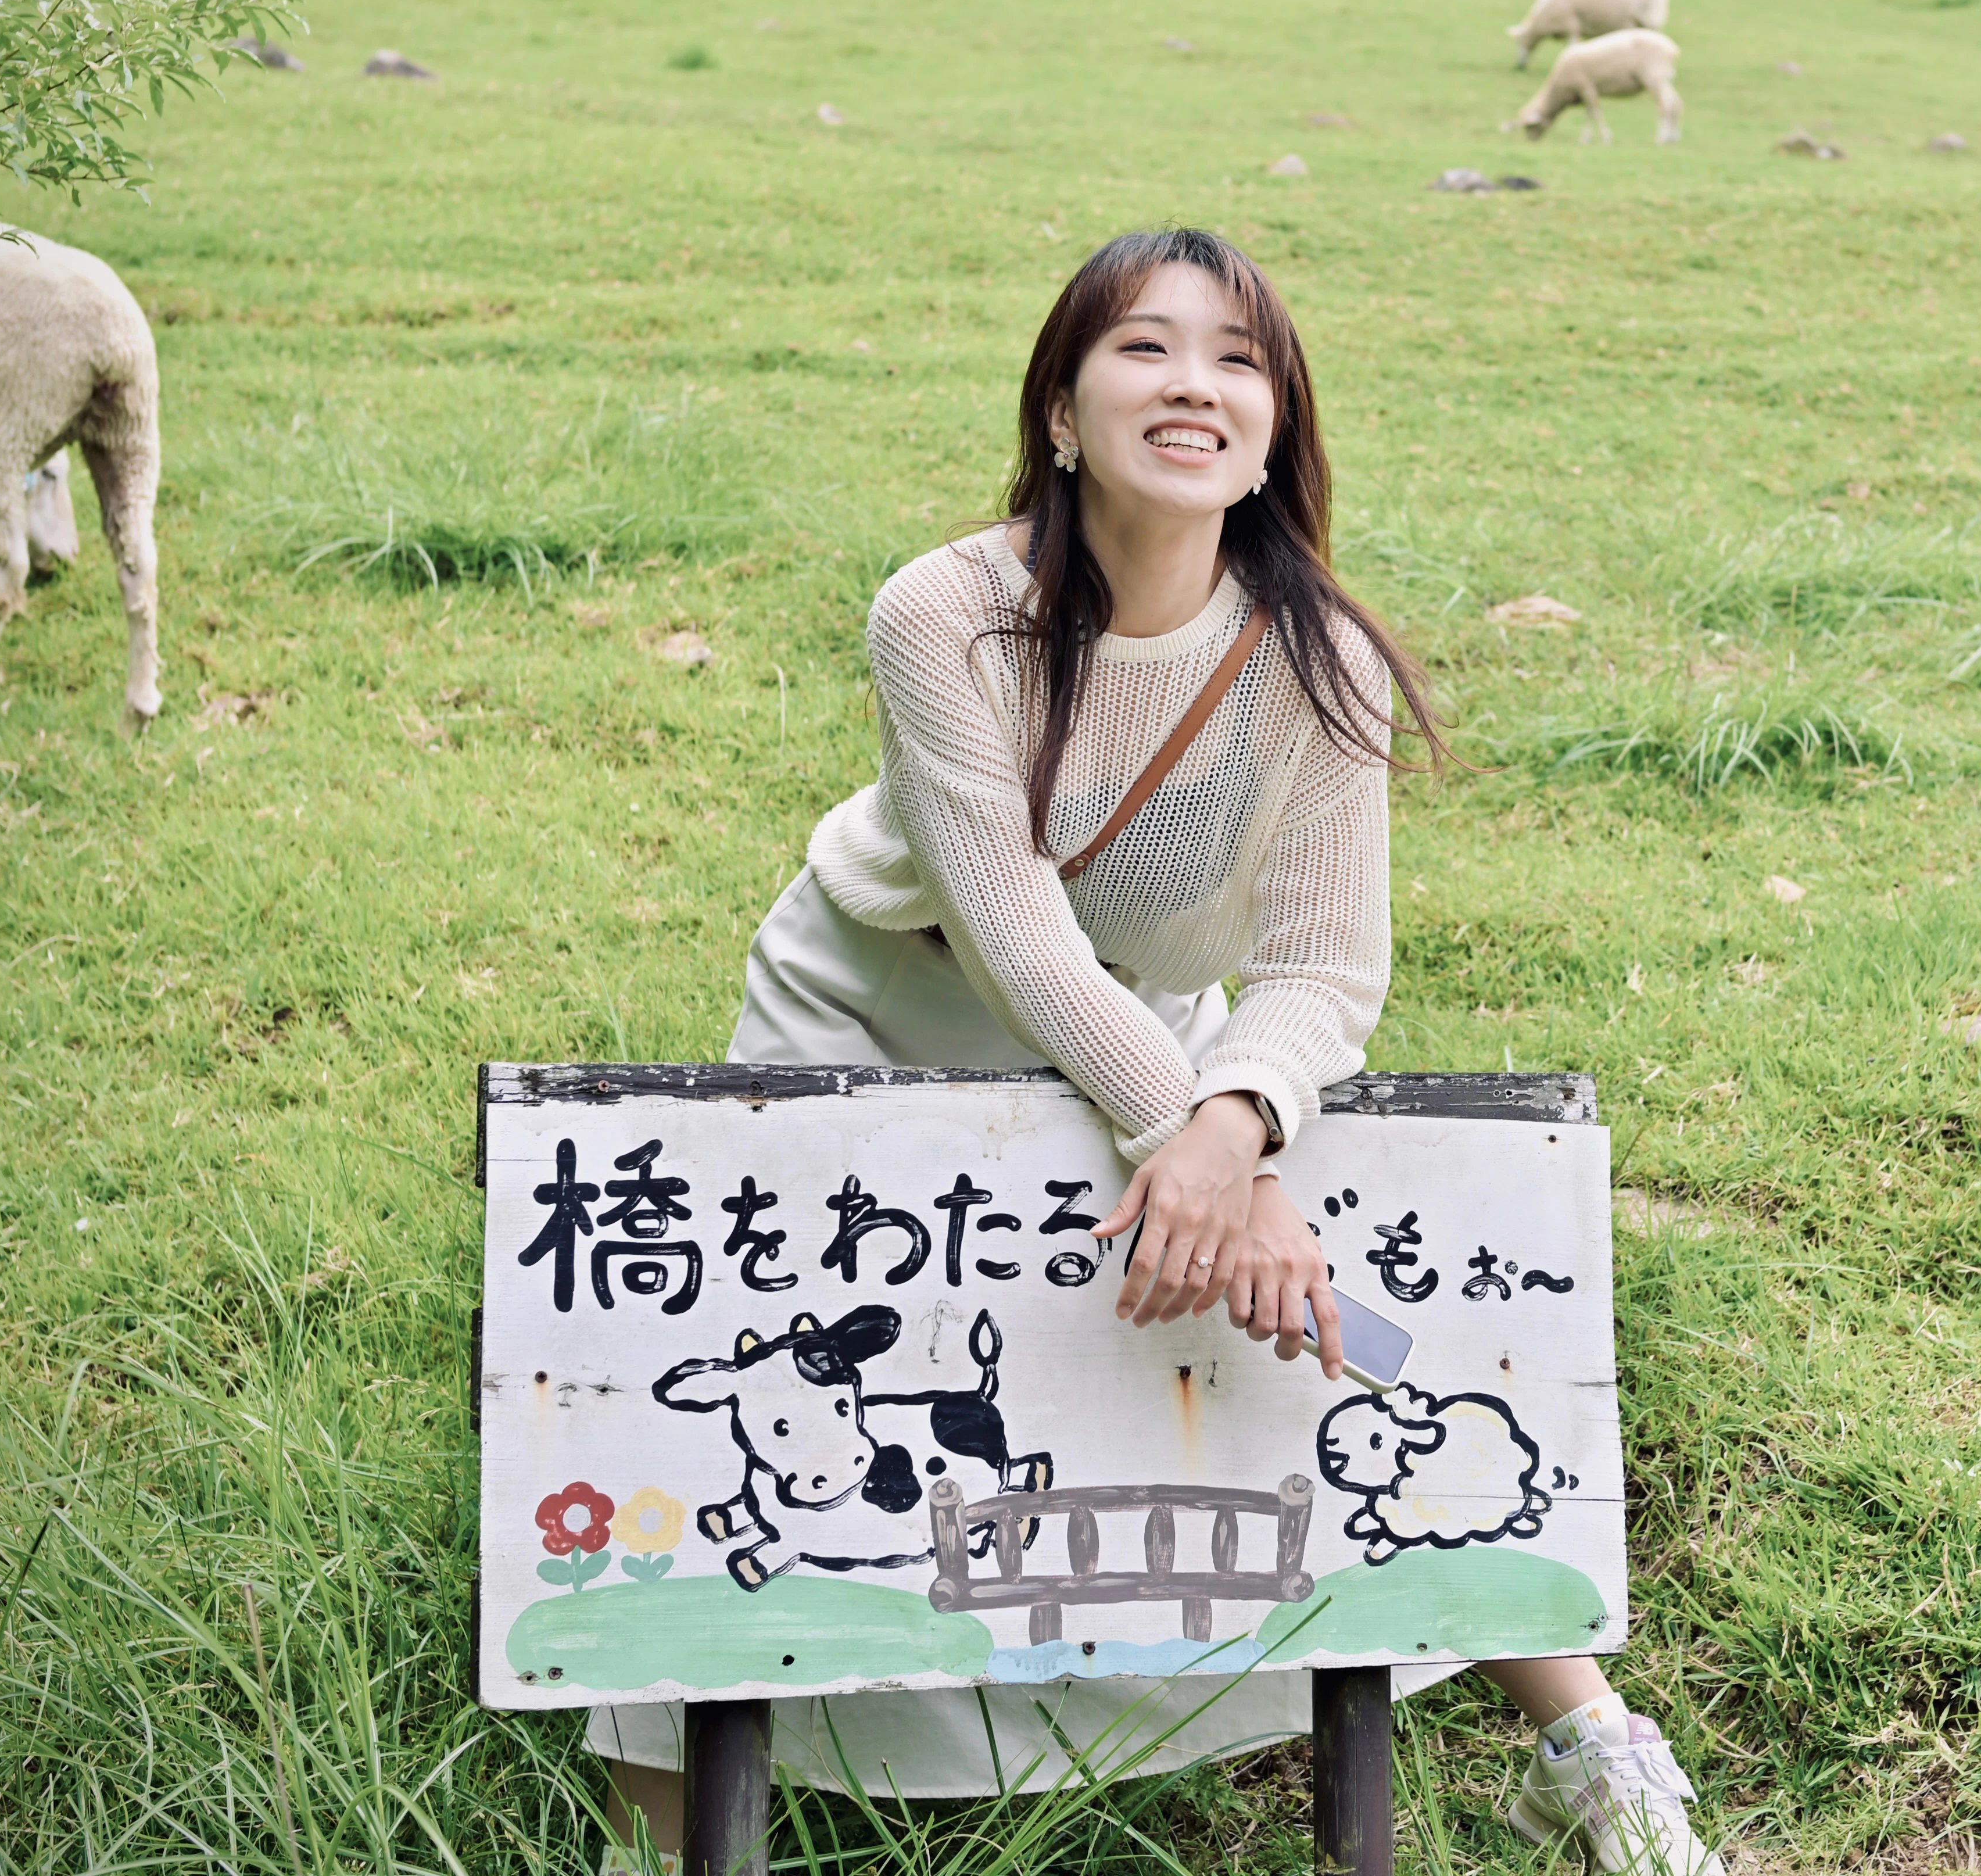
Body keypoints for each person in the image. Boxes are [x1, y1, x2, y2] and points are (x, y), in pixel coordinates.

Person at [591, 229, 1721, 1876]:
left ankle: (1597, 1747)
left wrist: (1244, 1123)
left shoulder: (1317, 657)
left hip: (1161, 1046)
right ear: (1062, 410)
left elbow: (1325, 967)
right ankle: (657, 1837)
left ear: (1275, 433)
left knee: (1326, 1331)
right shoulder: (948, 612)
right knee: (773, 1398)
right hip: (875, 1016)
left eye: (1238, 361)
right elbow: (1012, 933)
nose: (1193, 383)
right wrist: (1202, 1137)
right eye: (1143, 348)